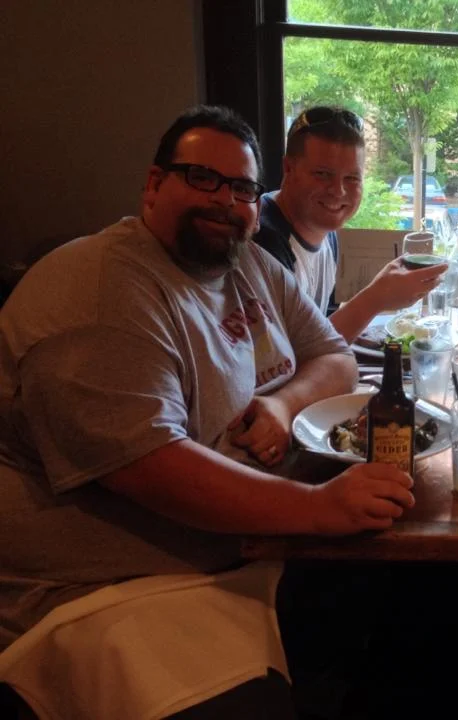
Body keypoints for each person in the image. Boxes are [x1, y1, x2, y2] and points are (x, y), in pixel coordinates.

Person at [0, 105, 416, 719]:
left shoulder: (245, 262)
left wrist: (281, 402)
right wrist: (318, 508)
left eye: (243, 188)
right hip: (111, 596)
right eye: (202, 178)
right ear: (152, 184)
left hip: (252, 551)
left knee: (436, 613)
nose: (225, 201)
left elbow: (334, 356)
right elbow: (150, 467)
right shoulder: (98, 291)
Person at [254, 106, 447, 342]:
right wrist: (377, 297)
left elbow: (321, 329)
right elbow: (290, 362)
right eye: (322, 174)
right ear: (288, 169)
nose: (338, 191)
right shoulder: (264, 244)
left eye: (352, 178)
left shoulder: (328, 233)